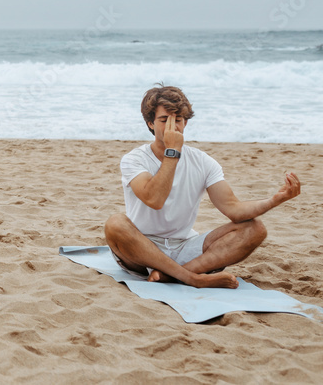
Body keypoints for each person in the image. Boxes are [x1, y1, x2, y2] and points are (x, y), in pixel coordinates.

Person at [104, 85, 301, 289]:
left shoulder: (203, 161)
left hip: (183, 246)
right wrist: (173, 151)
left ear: (186, 122)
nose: (174, 127)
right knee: (115, 224)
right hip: (141, 250)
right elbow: (154, 199)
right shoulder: (134, 159)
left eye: (178, 120)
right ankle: (192, 278)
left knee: (254, 228)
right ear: (150, 123)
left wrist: (275, 199)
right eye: (165, 120)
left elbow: (233, 208)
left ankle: (172, 275)